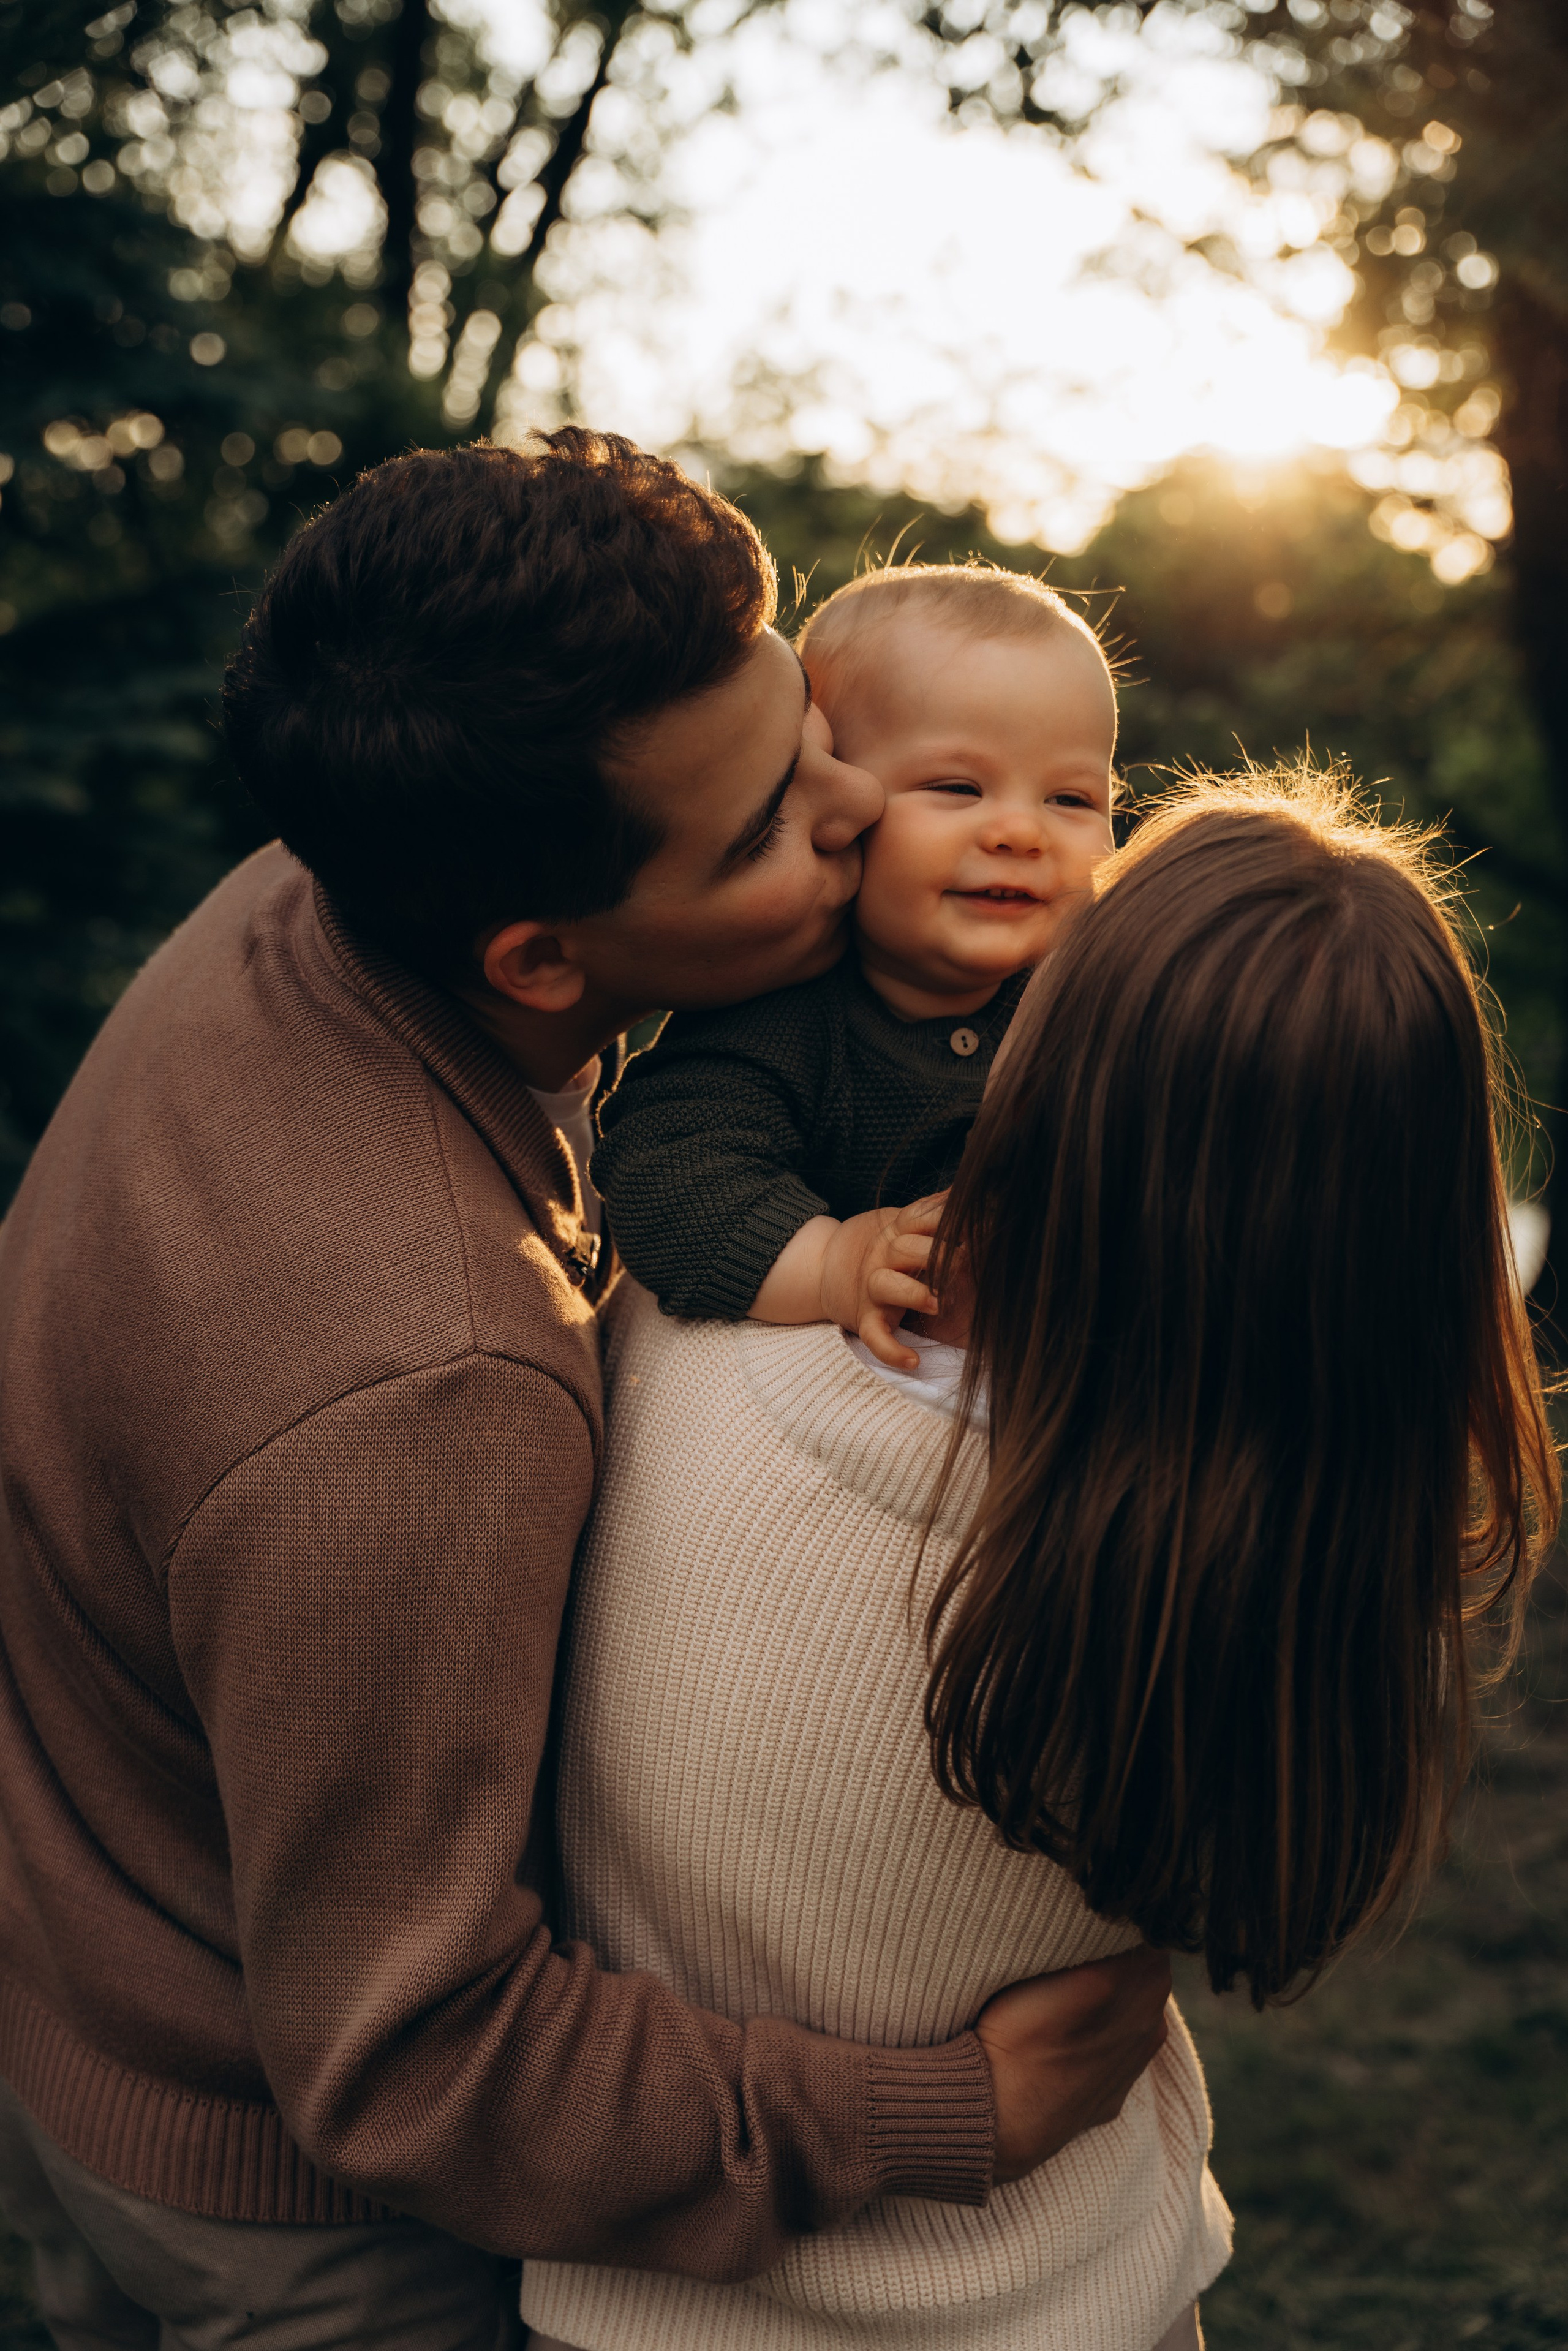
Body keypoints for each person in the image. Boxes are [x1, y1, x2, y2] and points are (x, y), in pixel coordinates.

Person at [0, 432, 1172, 2350]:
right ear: (540, 953)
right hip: (299, 2211)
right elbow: (412, 2060)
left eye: (808, 723)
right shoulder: (427, 1383)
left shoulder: (330, 879)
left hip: (88, 1962)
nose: (862, 807)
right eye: (771, 831)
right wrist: (949, 2108)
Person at [520, 769, 1559, 2351]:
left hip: (669, 2300)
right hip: (1099, 2298)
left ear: (1042, 1054)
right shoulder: (1312, 1544)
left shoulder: (666, 1354)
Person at [593, 562, 1118, 1368]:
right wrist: (833, 1262)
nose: (1022, 830)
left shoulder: (1103, 1004)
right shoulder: (785, 1013)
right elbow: (662, 1173)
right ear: (839, 802)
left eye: (1073, 800)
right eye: (956, 786)